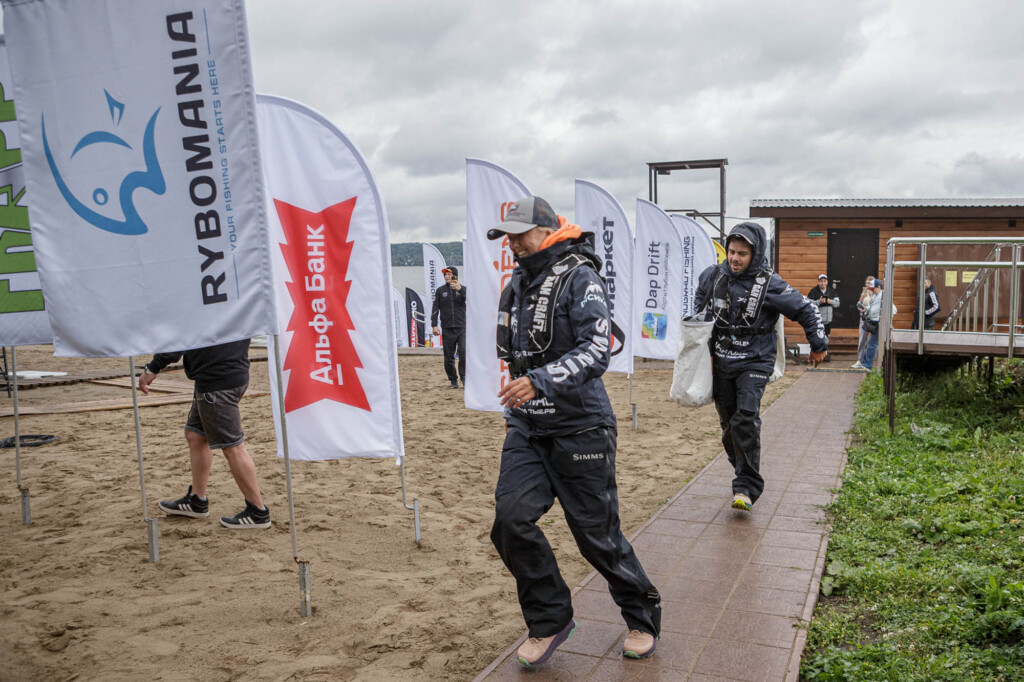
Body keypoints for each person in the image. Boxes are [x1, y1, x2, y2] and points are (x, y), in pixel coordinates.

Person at [488, 196, 661, 667]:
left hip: (582, 428)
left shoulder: (580, 276)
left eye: (521, 234)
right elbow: (515, 355)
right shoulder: (516, 284)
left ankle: (642, 616)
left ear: (547, 231)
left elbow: (596, 350)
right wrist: (518, 402)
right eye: (508, 237)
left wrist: (539, 381)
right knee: (510, 521)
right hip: (528, 427)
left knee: (596, 538)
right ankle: (550, 620)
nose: (514, 244)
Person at [693, 222, 827, 512]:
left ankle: (746, 487)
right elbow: (698, 304)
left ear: (755, 254)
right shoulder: (713, 276)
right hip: (722, 359)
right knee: (729, 426)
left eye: (742, 253)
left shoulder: (770, 283)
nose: (734, 258)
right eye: (731, 251)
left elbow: (807, 308)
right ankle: (743, 468)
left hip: (756, 359)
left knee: (745, 418)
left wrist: (818, 343)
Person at [138, 340, 270, 529]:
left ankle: (258, 511)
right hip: (230, 373)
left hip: (216, 382)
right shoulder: (229, 317)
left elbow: (180, 337)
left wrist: (153, 367)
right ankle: (197, 501)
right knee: (195, 435)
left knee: (233, 447)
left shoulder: (203, 317)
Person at [430, 266, 467, 388]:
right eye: (445, 275)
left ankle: (464, 377)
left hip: (462, 327)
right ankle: (453, 380)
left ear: (455, 275)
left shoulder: (463, 289)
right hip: (447, 328)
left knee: (463, 353)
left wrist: (460, 289)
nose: (447, 276)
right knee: (448, 357)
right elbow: (435, 308)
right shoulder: (440, 291)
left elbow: (471, 299)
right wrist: (434, 325)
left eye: (449, 274)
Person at [860, 279, 896, 371]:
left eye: (873, 288)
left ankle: (867, 365)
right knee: (872, 343)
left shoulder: (884, 296)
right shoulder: (877, 295)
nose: (872, 290)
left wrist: (884, 317)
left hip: (880, 323)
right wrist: (867, 309)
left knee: (872, 344)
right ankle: (866, 364)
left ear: (878, 287)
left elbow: (894, 309)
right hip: (876, 322)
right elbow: (874, 307)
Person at [807, 274, 839, 361]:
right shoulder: (813, 291)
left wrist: (830, 301)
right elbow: (808, 302)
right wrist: (819, 302)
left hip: (828, 320)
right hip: (817, 320)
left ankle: (825, 355)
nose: (823, 283)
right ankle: (815, 355)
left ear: (827, 282)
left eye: (824, 281)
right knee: (817, 338)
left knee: (826, 337)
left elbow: (837, 303)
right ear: (818, 282)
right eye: (821, 281)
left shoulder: (831, 291)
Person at [851, 275, 876, 370]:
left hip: (873, 319)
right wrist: (861, 298)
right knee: (862, 339)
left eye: (870, 283)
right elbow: (859, 305)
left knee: (874, 341)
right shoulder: (864, 293)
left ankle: (876, 361)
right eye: (866, 283)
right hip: (864, 318)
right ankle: (860, 360)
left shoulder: (876, 294)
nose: (868, 285)